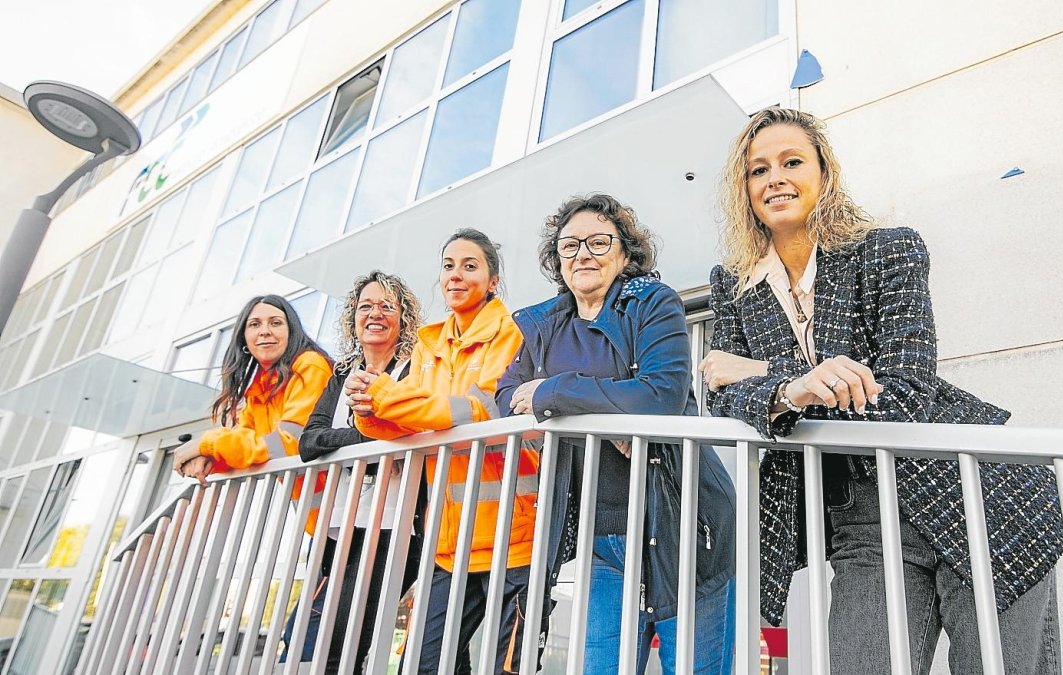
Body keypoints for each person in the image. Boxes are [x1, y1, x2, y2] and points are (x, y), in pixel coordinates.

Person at [700, 107, 1063, 674]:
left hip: (967, 487)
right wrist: (795, 385)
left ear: (824, 174)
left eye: (792, 162)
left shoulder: (888, 249)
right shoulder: (733, 284)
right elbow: (721, 404)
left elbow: (905, 389)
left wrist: (762, 373)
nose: (774, 178)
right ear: (743, 189)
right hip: (861, 517)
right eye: (758, 169)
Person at [497, 193, 736, 675]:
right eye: (569, 245)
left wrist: (554, 391)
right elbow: (508, 397)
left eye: (599, 241)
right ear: (557, 259)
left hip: (683, 525)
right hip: (599, 533)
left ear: (625, 253)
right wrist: (605, 414)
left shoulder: (653, 303)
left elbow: (661, 396)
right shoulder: (542, 324)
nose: (582, 253)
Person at [348, 229, 539, 675]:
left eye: (470, 266)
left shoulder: (513, 333)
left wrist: (384, 396)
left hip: (516, 538)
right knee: (423, 663)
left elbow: (479, 410)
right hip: (449, 542)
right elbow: (403, 420)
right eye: (448, 265)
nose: (456, 275)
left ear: (493, 280)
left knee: (507, 669)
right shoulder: (428, 343)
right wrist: (365, 410)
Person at [287, 270, 430, 673]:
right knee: (332, 635)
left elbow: (409, 430)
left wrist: (359, 437)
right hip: (340, 523)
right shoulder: (340, 375)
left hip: (396, 525)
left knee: (344, 639)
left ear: (403, 318)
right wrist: (363, 435)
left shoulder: (416, 369)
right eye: (366, 305)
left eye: (388, 306)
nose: (375, 313)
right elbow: (308, 442)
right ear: (353, 316)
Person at [172, 294, 332, 517]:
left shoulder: (310, 365)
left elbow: (292, 443)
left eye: (275, 323)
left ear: (291, 332)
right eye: (255, 324)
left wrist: (208, 443)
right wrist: (208, 459)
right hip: (321, 518)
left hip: (351, 509)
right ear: (244, 339)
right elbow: (244, 441)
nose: (265, 330)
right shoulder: (261, 388)